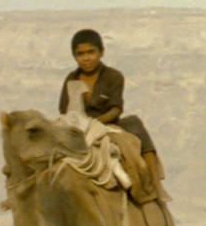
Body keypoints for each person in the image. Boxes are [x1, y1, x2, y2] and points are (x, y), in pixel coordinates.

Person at [58, 29, 168, 201]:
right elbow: (64, 110)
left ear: (101, 52)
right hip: (78, 127)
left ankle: (156, 184)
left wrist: (97, 123)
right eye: (80, 54)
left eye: (91, 52)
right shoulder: (71, 79)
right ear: (74, 56)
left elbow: (116, 108)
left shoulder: (113, 76)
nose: (86, 58)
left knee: (134, 125)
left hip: (109, 124)